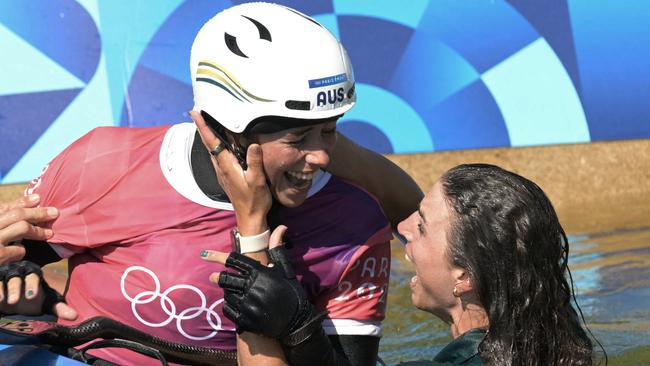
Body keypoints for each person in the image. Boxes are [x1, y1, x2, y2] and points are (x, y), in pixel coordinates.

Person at [1, 3, 422, 365]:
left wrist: (297, 328)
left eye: (331, 131)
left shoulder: (354, 224)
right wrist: (14, 275)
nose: (323, 156)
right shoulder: (103, 164)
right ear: (229, 127)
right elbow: (13, 260)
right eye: (297, 139)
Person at [203, 160, 601, 365]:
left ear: (464, 276)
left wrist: (289, 322)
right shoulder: (558, 339)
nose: (403, 225)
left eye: (422, 225)